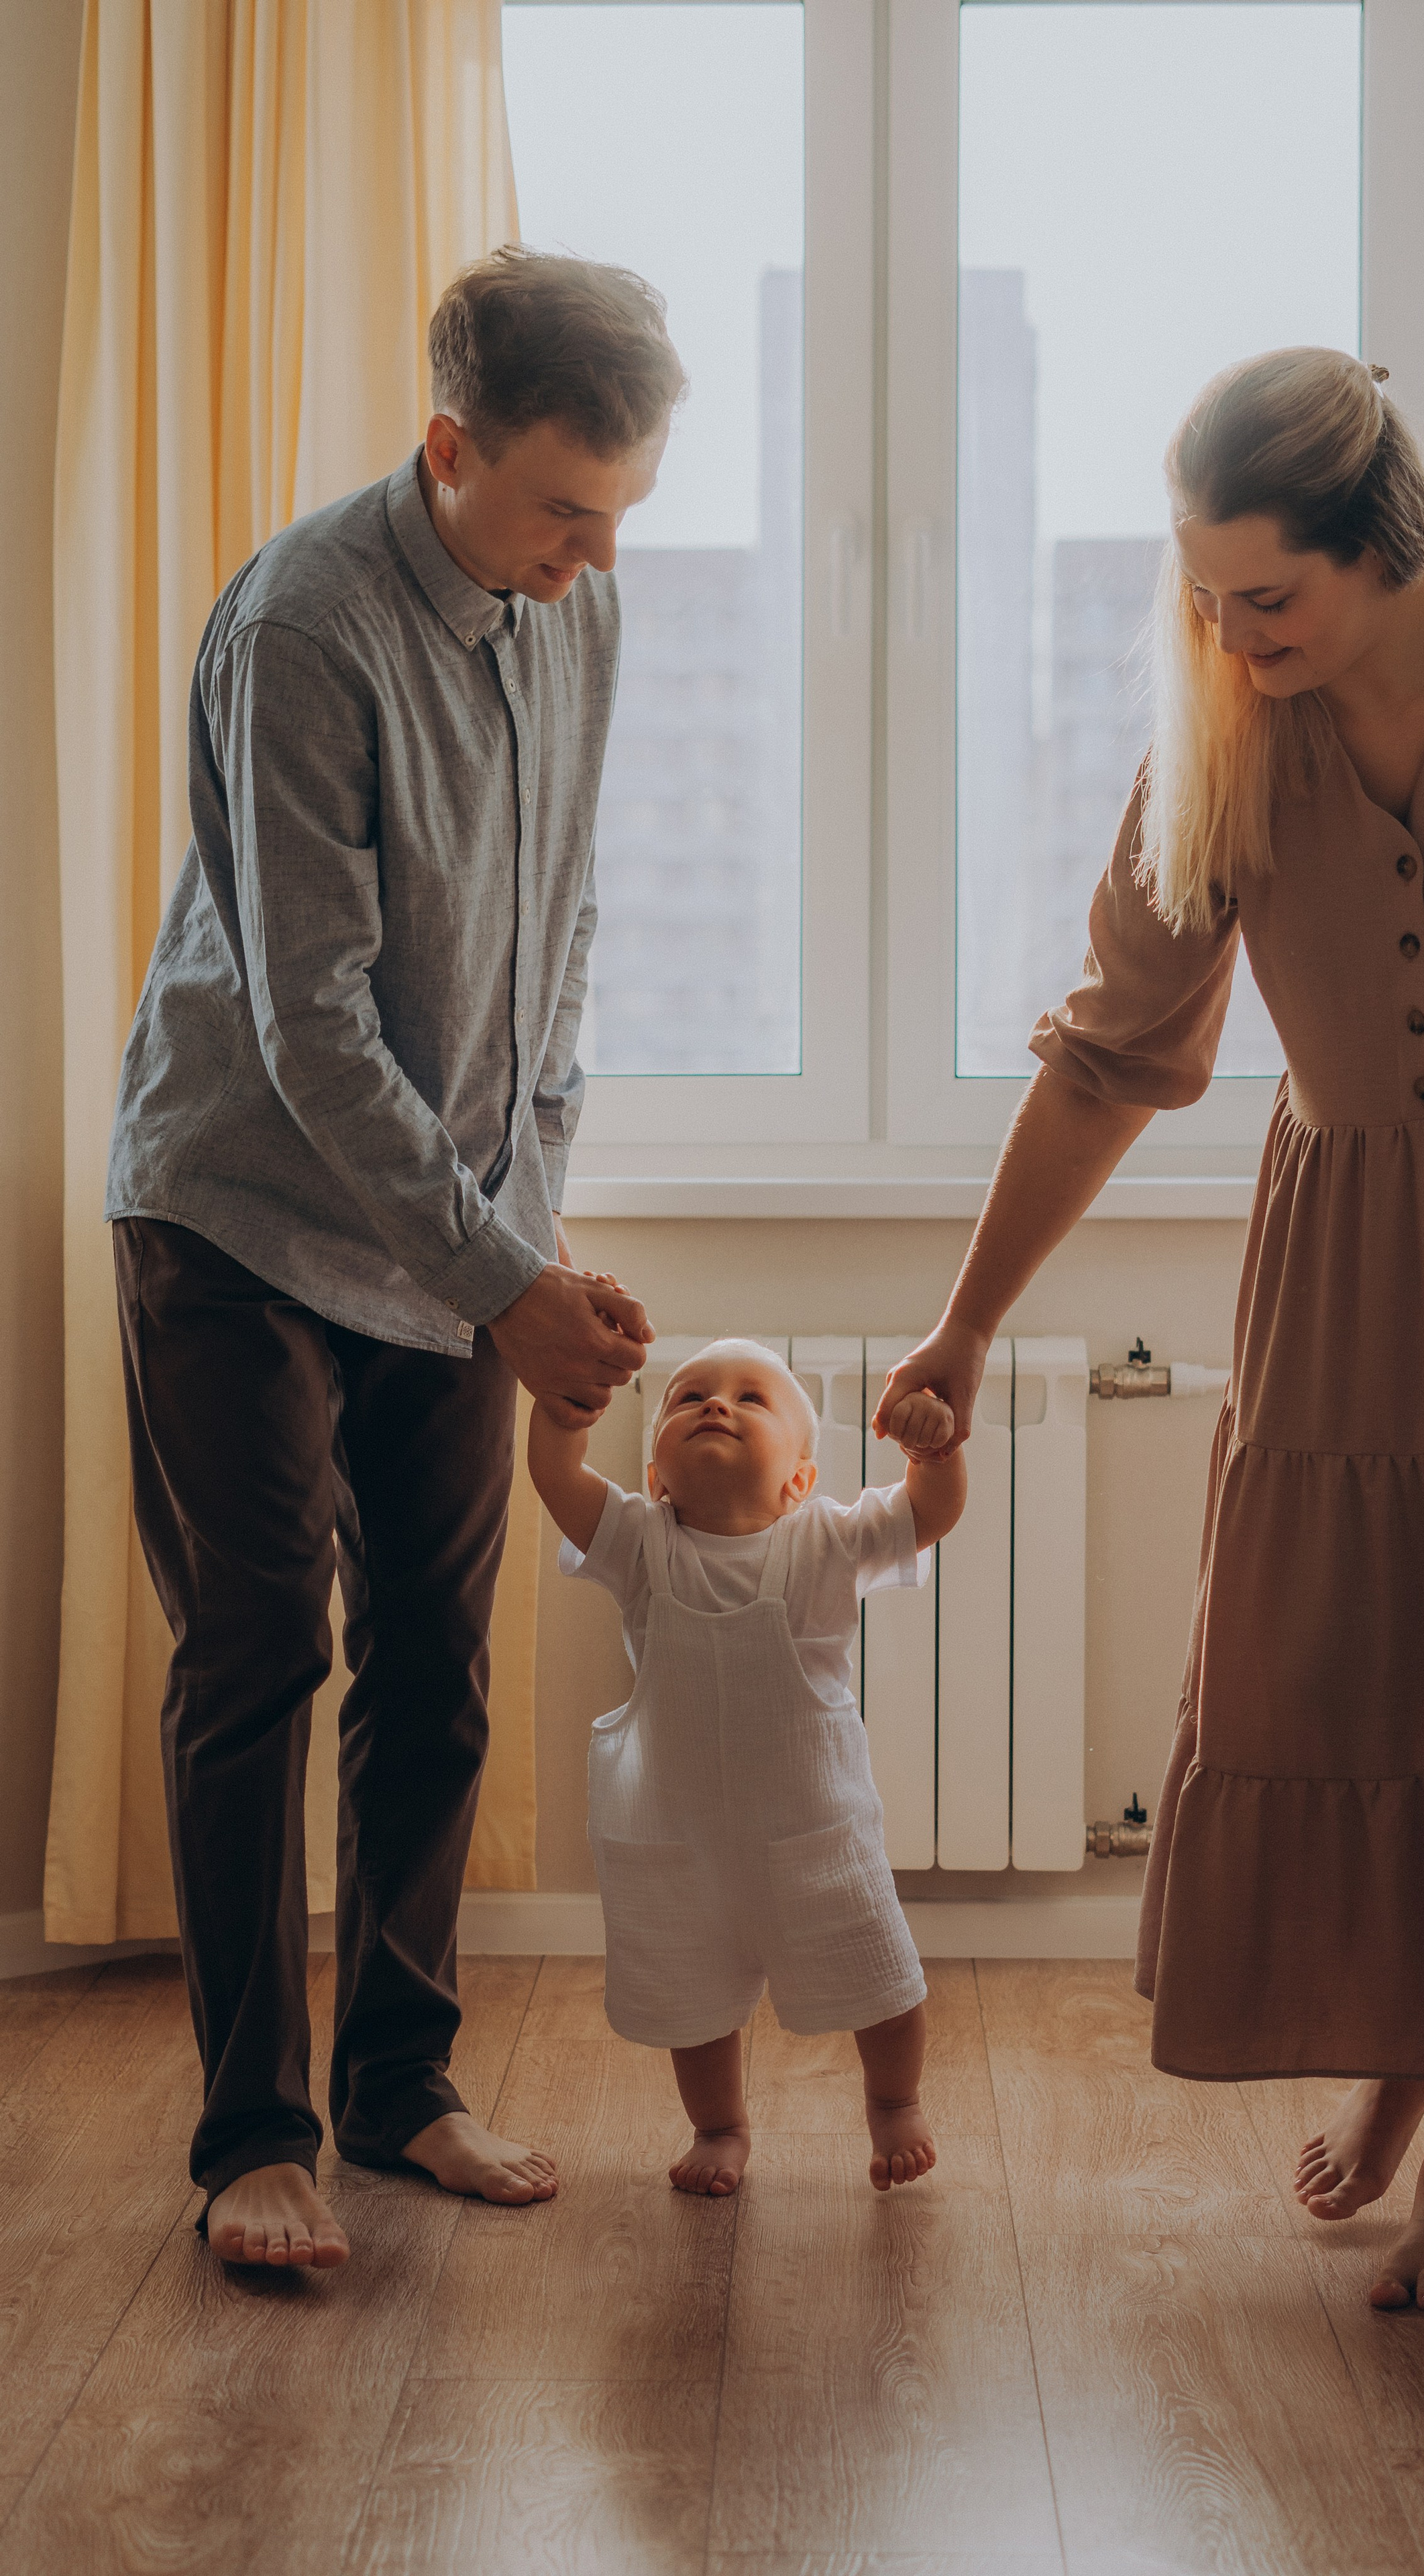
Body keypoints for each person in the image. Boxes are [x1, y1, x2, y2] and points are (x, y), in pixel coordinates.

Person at [877, 346, 1424, 2314]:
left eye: (1269, 595)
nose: (1228, 632)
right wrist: (965, 1326)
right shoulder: (1221, 732)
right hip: (1347, 1278)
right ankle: (1406, 2029)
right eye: (1199, 591)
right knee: (1340, 1680)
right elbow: (1104, 1062)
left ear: (1381, 547)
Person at [105, 248, 682, 2268]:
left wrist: (521, 1234)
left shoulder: (575, 610)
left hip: (452, 1222)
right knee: (262, 1651)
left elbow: (558, 942)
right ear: (450, 449)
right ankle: (251, 2136)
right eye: (563, 508)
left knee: (437, 1664)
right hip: (242, 1208)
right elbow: (311, 1018)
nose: (600, 551)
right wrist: (498, 1269)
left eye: (623, 508)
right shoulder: (301, 624)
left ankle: (399, 2086)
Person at [529, 1337, 967, 2195]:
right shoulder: (638, 1544)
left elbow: (929, 1514)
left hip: (815, 1836)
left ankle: (894, 2103)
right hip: (681, 1843)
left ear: (799, 1481)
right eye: (687, 1397)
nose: (714, 1404)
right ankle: (719, 2127)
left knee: (882, 1978)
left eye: (749, 1398)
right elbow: (558, 1483)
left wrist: (933, 1452)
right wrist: (558, 1417)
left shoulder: (827, 1544)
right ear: (656, 1474)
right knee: (694, 2004)